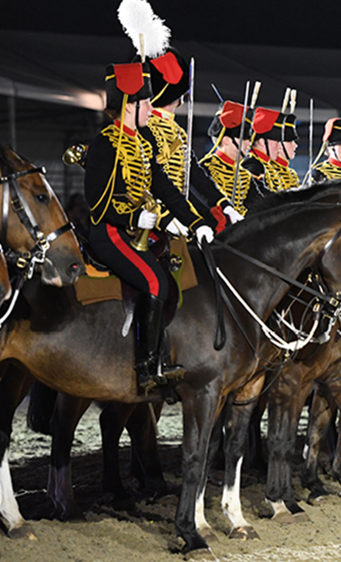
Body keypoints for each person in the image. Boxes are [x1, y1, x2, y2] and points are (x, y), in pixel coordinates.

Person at [84, 60, 214, 396]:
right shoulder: (105, 143)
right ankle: (146, 365)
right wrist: (132, 219)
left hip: (135, 231)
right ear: (131, 105)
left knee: (171, 279)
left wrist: (195, 222)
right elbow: (96, 202)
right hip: (110, 232)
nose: (150, 107)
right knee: (155, 282)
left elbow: (167, 189)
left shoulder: (142, 144)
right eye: (145, 102)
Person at [144, 47, 242, 233]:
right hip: (153, 216)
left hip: (181, 208)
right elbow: (152, 181)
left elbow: (193, 174)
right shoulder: (147, 129)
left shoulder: (178, 132)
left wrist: (222, 204)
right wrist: (167, 218)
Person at [200, 101, 273, 216]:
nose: (249, 143)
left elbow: (261, 204)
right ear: (226, 140)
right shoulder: (204, 168)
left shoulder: (244, 176)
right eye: (244, 138)